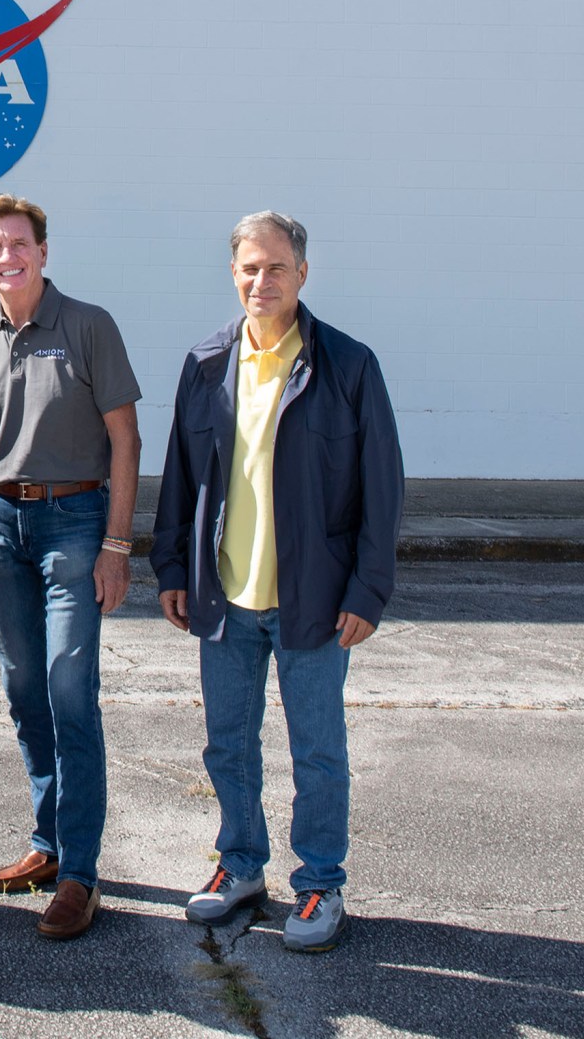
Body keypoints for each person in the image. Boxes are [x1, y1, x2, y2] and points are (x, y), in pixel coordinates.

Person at [151, 211, 404, 953]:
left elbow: (382, 488)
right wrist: (171, 565)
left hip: (315, 602)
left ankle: (321, 881)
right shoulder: (206, 363)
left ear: (302, 274)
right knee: (227, 745)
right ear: (234, 273)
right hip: (225, 599)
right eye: (250, 268)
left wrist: (368, 589)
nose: (262, 280)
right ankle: (240, 867)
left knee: (317, 750)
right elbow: (184, 476)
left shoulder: (347, 366)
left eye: (278, 268)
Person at [0, 194, 142, 940]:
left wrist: (118, 545)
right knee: (25, 690)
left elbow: (125, 440)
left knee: (70, 690)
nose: (8, 257)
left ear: (43, 250)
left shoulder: (89, 325)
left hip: (73, 521)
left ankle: (79, 874)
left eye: (19, 244)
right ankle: (46, 844)